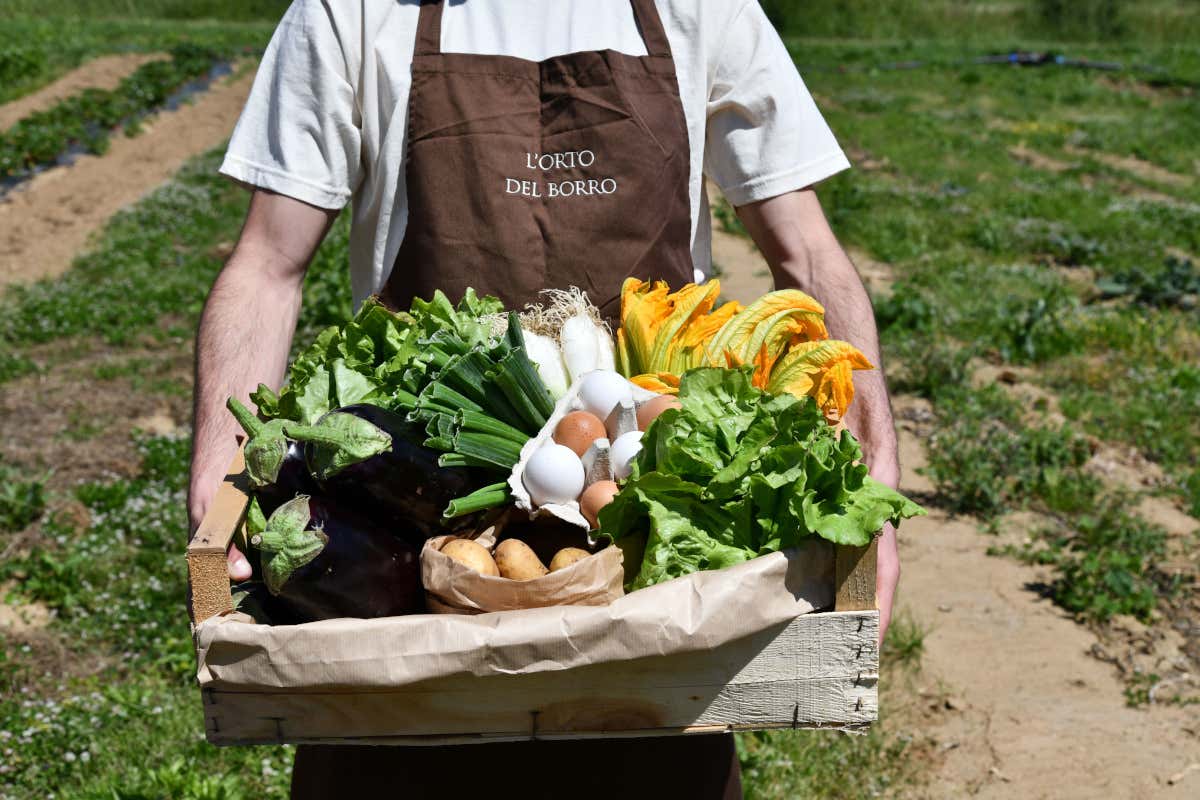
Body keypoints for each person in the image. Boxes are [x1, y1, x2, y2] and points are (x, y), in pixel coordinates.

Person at [187, 0, 901, 796]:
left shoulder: (700, 8)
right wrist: (217, 485)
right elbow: (267, 265)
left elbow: (807, 254)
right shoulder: (350, 12)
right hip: (411, 553)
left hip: (648, 570)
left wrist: (873, 483)